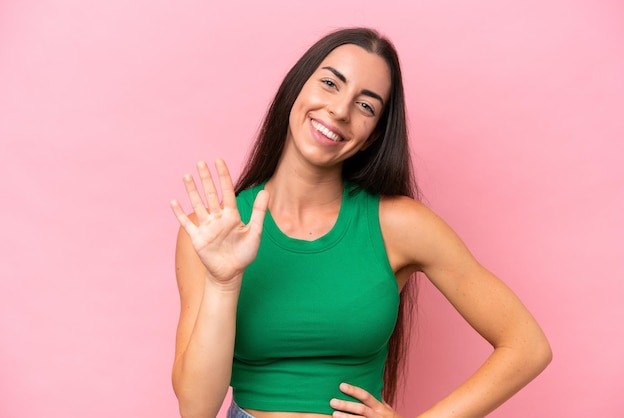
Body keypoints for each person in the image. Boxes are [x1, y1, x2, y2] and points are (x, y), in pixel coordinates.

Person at [169, 27, 552, 418]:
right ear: (296, 89)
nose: (339, 110)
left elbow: (527, 345)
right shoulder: (212, 232)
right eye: (330, 84)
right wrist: (223, 281)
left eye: (366, 106)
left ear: (372, 137)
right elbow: (196, 409)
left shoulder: (399, 225)